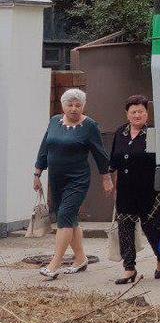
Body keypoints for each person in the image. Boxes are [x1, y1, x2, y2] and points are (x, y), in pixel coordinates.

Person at [33, 88, 112, 279]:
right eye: (70, 105)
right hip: (56, 178)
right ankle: (80, 258)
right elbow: (45, 147)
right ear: (63, 106)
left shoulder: (89, 126)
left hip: (78, 179)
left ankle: (55, 264)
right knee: (70, 219)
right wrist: (37, 173)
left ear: (83, 106)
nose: (74, 108)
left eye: (78, 105)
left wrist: (106, 176)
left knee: (65, 215)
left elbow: (100, 153)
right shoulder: (54, 121)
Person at [111, 95, 160, 285]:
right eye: (133, 112)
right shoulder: (121, 132)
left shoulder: (153, 133)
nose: (137, 115)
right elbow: (115, 160)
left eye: (141, 111)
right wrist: (111, 182)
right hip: (126, 188)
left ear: (147, 114)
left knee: (150, 226)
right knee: (125, 227)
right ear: (127, 114)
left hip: (150, 189)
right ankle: (129, 268)